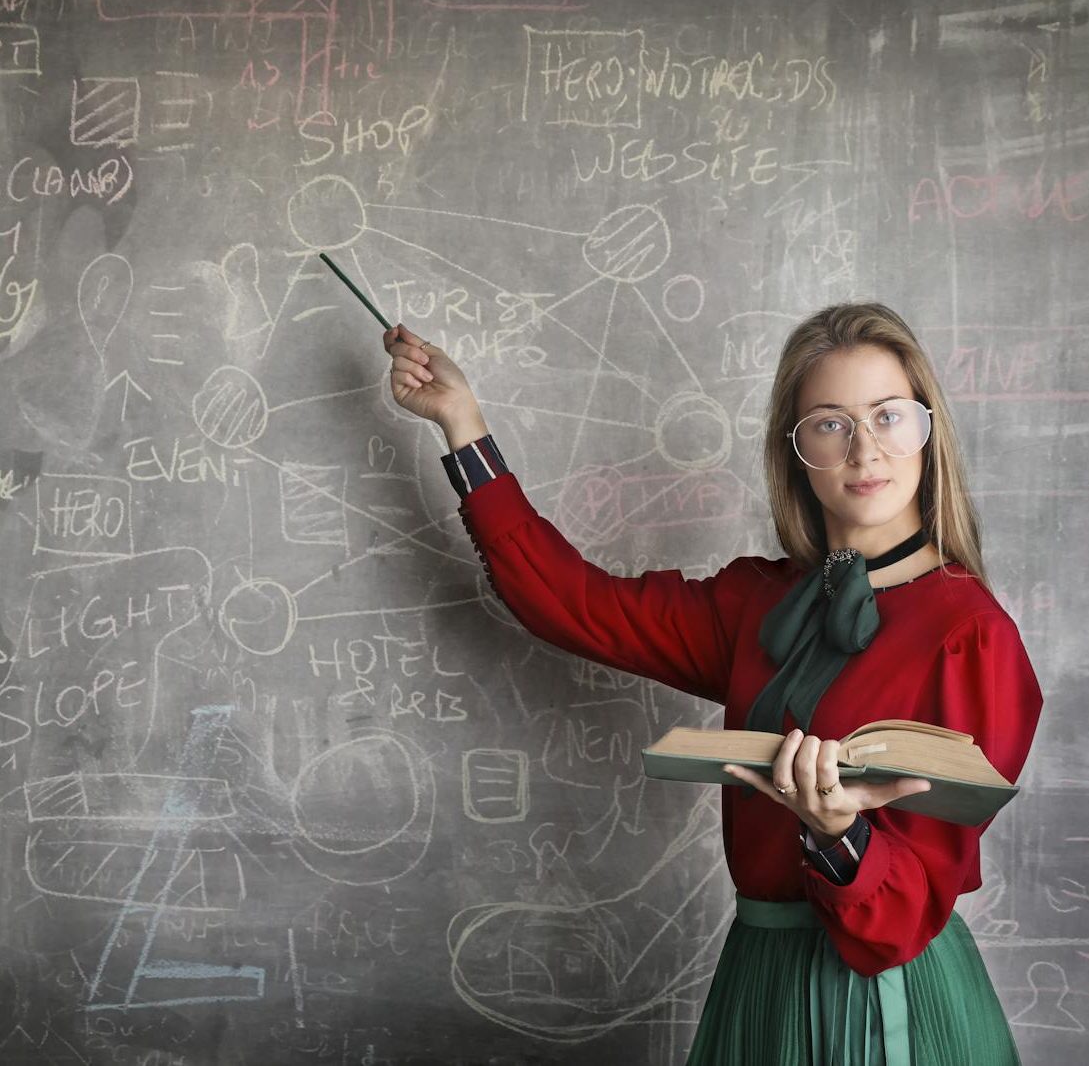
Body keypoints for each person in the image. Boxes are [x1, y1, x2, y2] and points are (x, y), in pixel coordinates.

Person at [382, 301, 1043, 1065]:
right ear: (795, 451)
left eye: (889, 416)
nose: (865, 450)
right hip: (756, 981)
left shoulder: (971, 634)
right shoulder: (756, 603)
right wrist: (463, 425)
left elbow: (904, 917)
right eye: (830, 423)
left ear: (928, 432)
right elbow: (573, 605)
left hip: (883, 999)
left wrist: (839, 834)